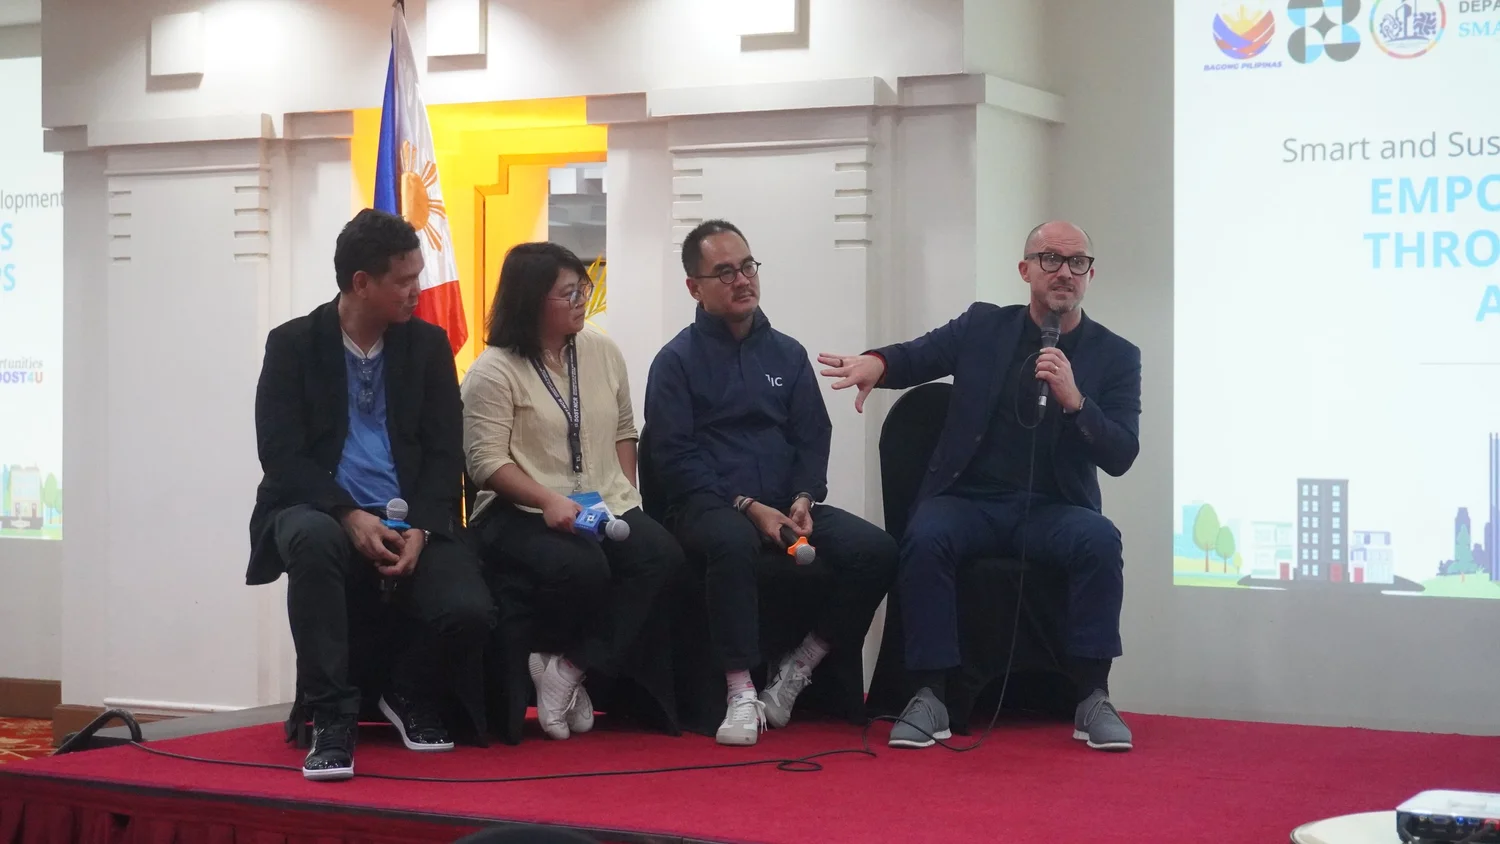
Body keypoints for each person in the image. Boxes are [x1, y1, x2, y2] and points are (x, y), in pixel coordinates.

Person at [818, 220, 1141, 752]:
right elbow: (919, 354)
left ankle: (1092, 697)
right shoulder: (984, 326)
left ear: (1090, 274)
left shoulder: (1116, 355)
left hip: (1054, 509)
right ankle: (930, 695)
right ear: (1025, 270)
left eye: (1077, 262)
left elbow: (1122, 454)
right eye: (1051, 259)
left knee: (1101, 540)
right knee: (925, 536)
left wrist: (1076, 401)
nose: (1065, 272)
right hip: (972, 502)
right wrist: (876, 362)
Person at [247, 208, 496, 781]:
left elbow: (444, 452)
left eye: (418, 276)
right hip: (318, 506)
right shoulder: (293, 345)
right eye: (404, 280)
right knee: (311, 539)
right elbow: (281, 455)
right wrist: (346, 513)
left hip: (411, 513)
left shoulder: (427, 346)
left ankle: (405, 692)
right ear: (362, 283)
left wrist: (424, 527)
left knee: (470, 608)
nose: (416, 291)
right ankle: (332, 717)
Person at [644, 220, 899, 747]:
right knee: (732, 541)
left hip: (787, 504)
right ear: (694, 287)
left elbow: (812, 435)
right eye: (725, 272)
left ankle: (799, 666)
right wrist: (747, 506)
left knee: (877, 551)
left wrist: (804, 497)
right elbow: (674, 456)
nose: (742, 280)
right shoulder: (675, 362)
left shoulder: (787, 353)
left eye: (747, 267)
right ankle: (740, 690)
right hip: (707, 504)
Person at [460, 242, 682, 741]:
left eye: (583, 289)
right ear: (532, 300)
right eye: (570, 293)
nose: (583, 300)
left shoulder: (601, 350)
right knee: (583, 565)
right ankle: (553, 665)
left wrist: (627, 493)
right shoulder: (493, 370)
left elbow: (625, 429)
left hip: (604, 501)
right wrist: (546, 500)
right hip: (520, 509)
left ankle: (568, 668)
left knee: (662, 557)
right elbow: (486, 463)